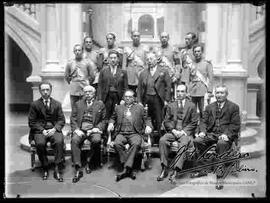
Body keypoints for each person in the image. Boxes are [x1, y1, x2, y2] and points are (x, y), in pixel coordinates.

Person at [192, 84, 241, 190]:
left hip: (225, 135)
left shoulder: (233, 107)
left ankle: (219, 176)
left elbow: (235, 125)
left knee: (221, 144)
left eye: (222, 92)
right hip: (211, 134)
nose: (219, 95)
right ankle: (203, 169)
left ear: (226, 94)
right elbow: (203, 121)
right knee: (197, 140)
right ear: (215, 94)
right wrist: (202, 132)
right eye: (217, 92)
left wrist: (227, 134)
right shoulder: (209, 107)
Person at [107, 89, 153, 181]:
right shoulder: (118, 107)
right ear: (123, 97)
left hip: (134, 133)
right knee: (116, 143)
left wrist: (148, 126)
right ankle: (129, 168)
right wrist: (111, 123)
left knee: (136, 143)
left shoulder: (139, 108)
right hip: (121, 133)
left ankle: (125, 169)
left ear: (134, 98)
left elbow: (147, 119)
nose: (127, 98)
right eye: (126, 96)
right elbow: (112, 118)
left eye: (130, 97)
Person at [157, 84, 198, 183]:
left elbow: (194, 122)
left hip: (185, 133)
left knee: (183, 144)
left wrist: (183, 132)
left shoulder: (191, 106)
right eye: (178, 91)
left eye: (182, 91)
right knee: (162, 140)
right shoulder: (171, 105)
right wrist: (173, 130)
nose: (179, 93)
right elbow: (166, 121)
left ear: (186, 93)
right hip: (173, 132)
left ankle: (175, 171)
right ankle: (164, 168)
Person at [28, 81, 65, 182]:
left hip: (53, 129)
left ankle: (57, 168)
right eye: (43, 90)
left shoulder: (57, 104)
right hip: (40, 130)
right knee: (40, 143)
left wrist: (54, 129)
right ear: (40, 91)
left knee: (59, 142)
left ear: (51, 90)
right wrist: (42, 130)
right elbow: (32, 122)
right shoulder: (34, 105)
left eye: (47, 90)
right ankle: (45, 167)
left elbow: (61, 120)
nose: (45, 92)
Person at [70, 85, 106, 183]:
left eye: (90, 92)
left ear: (94, 93)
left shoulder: (100, 104)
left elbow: (104, 120)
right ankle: (78, 167)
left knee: (97, 140)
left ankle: (89, 161)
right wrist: (76, 129)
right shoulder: (78, 104)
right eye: (86, 92)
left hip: (93, 130)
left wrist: (96, 129)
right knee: (74, 140)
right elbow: (73, 118)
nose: (87, 94)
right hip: (81, 130)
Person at [137, 51, 171, 144]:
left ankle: (161, 141)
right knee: (147, 119)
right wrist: (139, 101)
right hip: (146, 99)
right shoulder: (143, 73)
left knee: (159, 120)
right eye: (147, 59)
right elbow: (139, 88)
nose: (149, 61)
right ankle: (149, 140)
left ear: (156, 60)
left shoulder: (163, 71)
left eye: (151, 59)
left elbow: (168, 86)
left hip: (158, 99)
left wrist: (166, 100)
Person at [97, 50, 128, 120]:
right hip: (106, 97)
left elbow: (126, 87)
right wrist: (100, 99)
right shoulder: (103, 71)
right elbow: (100, 86)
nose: (113, 60)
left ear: (118, 59)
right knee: (106, 116)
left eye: (115, 58)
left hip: (118, 97)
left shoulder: (123, 72)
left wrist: (123, 99)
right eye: (111, 58)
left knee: (117, 116)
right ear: (108, 59)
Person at [64, 44, 95, 111]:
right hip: (74, 89)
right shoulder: (70, 63)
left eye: (79, 50)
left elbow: (92, 76)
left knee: (85, 108)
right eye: (76, 50)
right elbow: (66, 76)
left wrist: (87, 83)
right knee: (74, 109)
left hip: (85, 89)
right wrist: (73, 83)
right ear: (74, 52)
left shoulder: (87, 62)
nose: (77, 52)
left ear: (82, 51)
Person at [154, 32, 181, 99]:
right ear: (160, 39)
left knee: (170, 96)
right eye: (162, 37)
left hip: (170, 76)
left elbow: (178, 63)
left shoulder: (173, 49)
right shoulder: (156, 50)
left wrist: (177, 75)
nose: (164, 39)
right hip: (159, 76)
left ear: (168, 38)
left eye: (165, 37)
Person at [189, 44, 213, 119]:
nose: (197, 53)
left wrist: (209, 91)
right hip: (192, 91)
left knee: (204, 112)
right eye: (195, 51)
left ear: (202, 52)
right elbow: (187, 78)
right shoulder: (190, 64)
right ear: (193, 53)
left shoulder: (207, 64)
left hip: (203, 91)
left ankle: (203, 129)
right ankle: (193, 129)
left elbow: (211, 78)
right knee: (191, 112)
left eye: (199, 51)